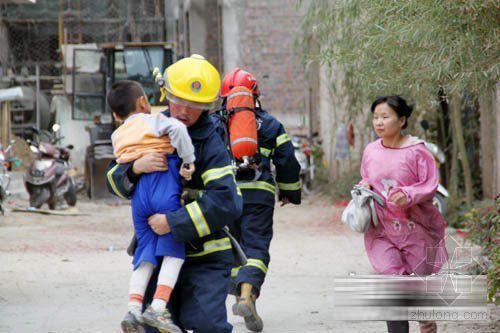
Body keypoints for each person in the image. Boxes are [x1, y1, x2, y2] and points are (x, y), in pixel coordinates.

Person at [106, 55, 243, 333]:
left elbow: (227, 202)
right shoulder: (150, 126)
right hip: (158, 253)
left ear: (207, 106)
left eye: (196, 105)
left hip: (204, 258)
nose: (185, 110)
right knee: (153, 327)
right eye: (179, 100)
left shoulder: (211, 143)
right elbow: (113, 177)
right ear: (166, 94)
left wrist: (174, 221)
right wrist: (134, 169)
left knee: (206, 325)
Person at [215, 68, 301, 332]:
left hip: (225, 195)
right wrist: (289, 191)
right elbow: (286, 161)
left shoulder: (214, 123)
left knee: (232, 247)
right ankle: (246, 295)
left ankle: (237, 296)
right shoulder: (272, 124)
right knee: (256, 246)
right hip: (258, 195)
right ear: (255, 96)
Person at [107, 80, 197, 333]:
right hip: (162, 182)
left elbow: (119, 166)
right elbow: (178, 128)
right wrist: (188, 160)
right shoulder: (152, 120)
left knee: (144, 252)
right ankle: (158, 307)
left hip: (139, 195)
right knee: (173, 250)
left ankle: (134, 309)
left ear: (116, 114)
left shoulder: (117, 134)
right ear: (143, 103)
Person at [359, 95, 447, 333]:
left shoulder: (418, 151)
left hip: (416, 229)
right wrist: (364, 187)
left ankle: (426, 320)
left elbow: (430, 184)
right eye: (376, 117)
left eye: (385, 117)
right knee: (392, 285)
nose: (379, 122)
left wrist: (409, 194)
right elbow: (367, 178)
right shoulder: (370, 151)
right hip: (382, 230)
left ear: (402, 120)